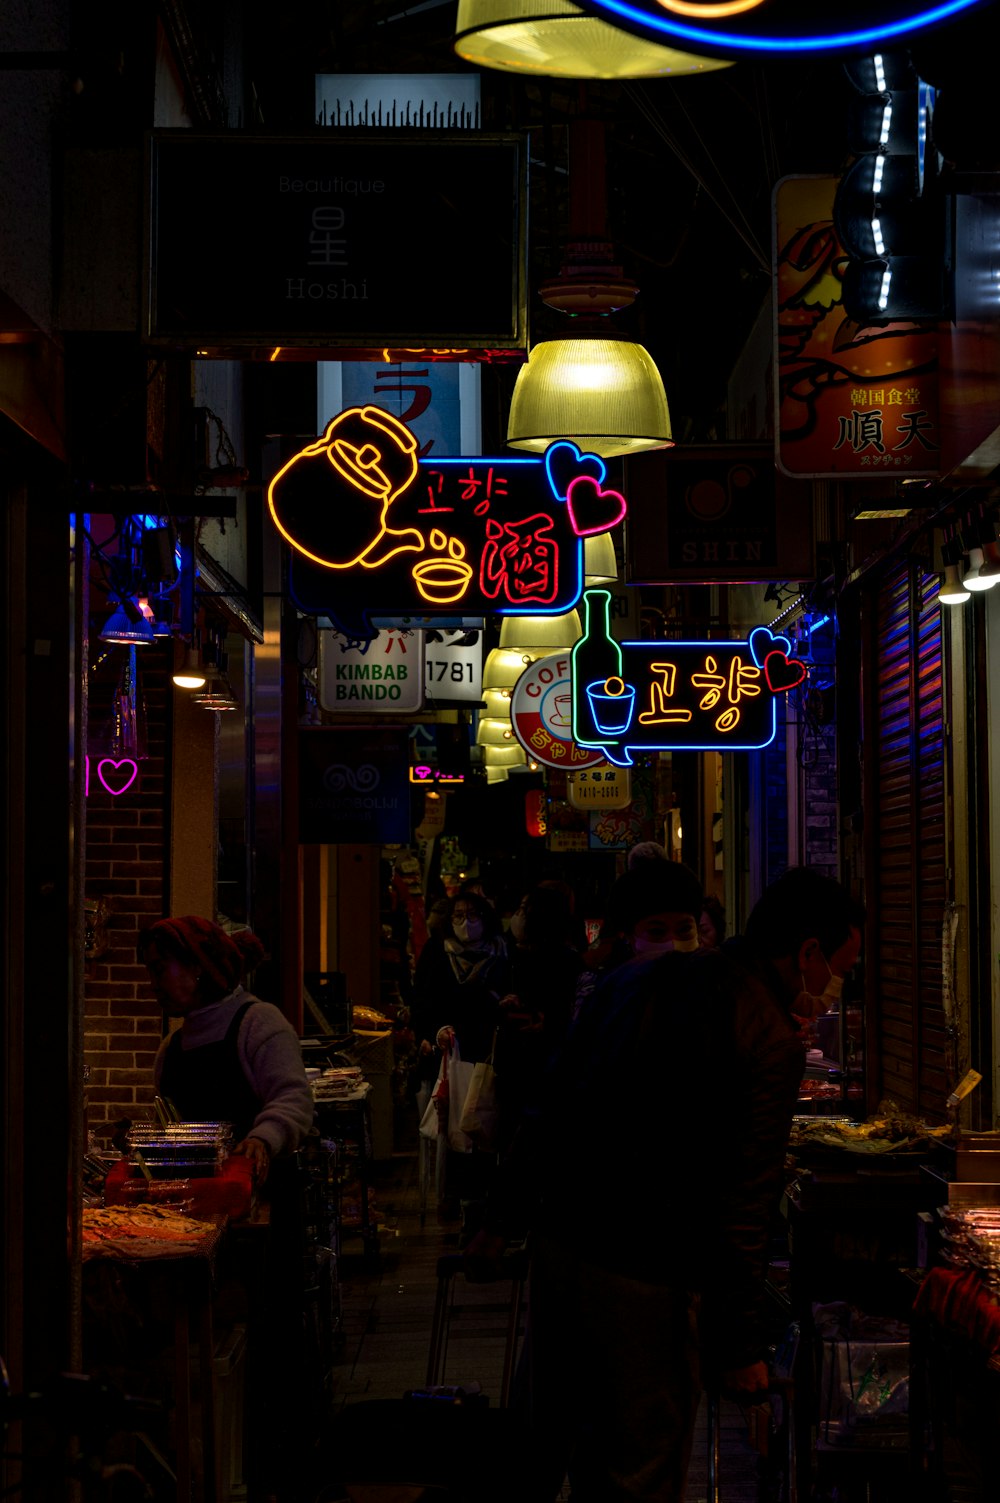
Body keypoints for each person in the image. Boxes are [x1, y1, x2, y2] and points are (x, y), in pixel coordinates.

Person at [472, 864, 862, 1503]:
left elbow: (552, 1106)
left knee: (559, 1449)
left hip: (561, 1252)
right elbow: (746, 1196)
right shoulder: (766, 1032)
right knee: (639, 1473)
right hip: (647, 1279)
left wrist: (497, 1220)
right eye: (839, 969)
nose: (835, 986)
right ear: (807, 952)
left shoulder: (630, 981)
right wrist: (738, 1344)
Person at [138, 915, 315, 1179]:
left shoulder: (258, 1023)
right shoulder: (170, 1049)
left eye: (160, 969)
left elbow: (293, 1098)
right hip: (193, 1205)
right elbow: (169, 1132)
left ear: (197, 965)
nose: (153, 984)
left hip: (262, 1198)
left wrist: (263, 1139)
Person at [410, 885, 510, 1221]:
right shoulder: (438, 952)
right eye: (458, 916)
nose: (465, 922)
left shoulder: (503, 951)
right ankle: (456, 1199)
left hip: (494, 1052)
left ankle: (488, 1199)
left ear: (486, 918)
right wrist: (433, 1032)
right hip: (451, 1053)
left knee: (487, 1125)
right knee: (455, 1130)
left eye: (472, 915)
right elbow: (421, 1000)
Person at [496, 881, 583, 1148]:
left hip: (550, 1068)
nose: (518, 916)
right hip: (511, 1064)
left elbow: (575, 1014)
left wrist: (550, 1023)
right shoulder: (506, 957)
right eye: (519, 909)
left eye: (525, 910)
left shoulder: (567, 961)